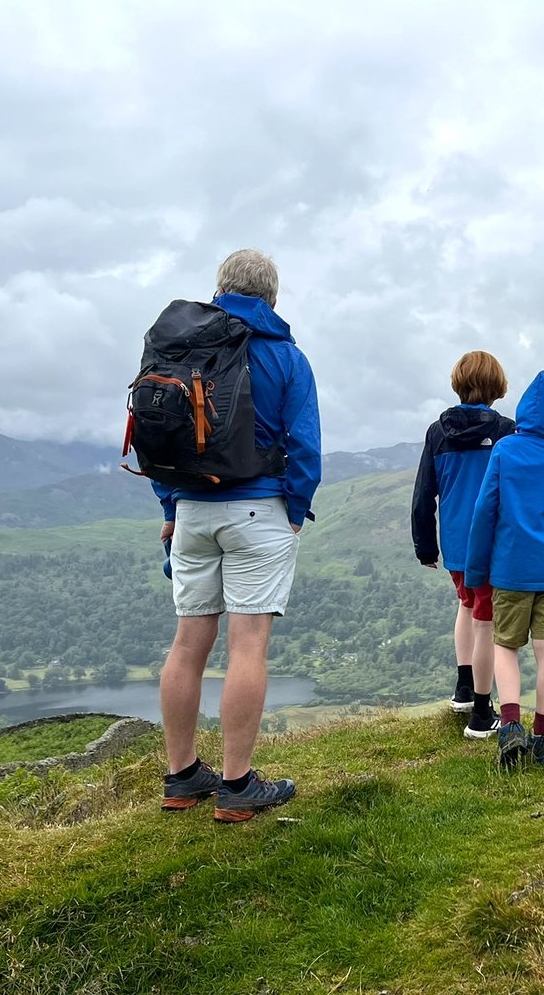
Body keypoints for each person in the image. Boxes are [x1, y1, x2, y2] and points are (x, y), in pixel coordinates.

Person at [153, 249, 321, 823]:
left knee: (187, 644)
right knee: (247, 646)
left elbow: (162, 434)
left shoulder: (182, 348)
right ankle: (236, 785)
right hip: (259, 510)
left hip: (191, 510)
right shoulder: (286, 356)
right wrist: (294, 509)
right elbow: (305, 445)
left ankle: (181, 777)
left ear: (219, 289)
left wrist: (172, 504)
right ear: (271, 298)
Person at [465, 371, 544, 768]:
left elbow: (485, 512)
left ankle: (510, 726)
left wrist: (475, 571)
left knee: (506, 647)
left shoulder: (506, 450)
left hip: (511, 568)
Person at [411, 351, 516, 739]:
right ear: (497, 386)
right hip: (493, 543)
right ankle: (482, 714)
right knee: (486, 619)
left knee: (467, 604)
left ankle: (464, 689)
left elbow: (424, 493)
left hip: (455, 543)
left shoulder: (437, 432)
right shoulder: (507, 431)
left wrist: (426, 546)